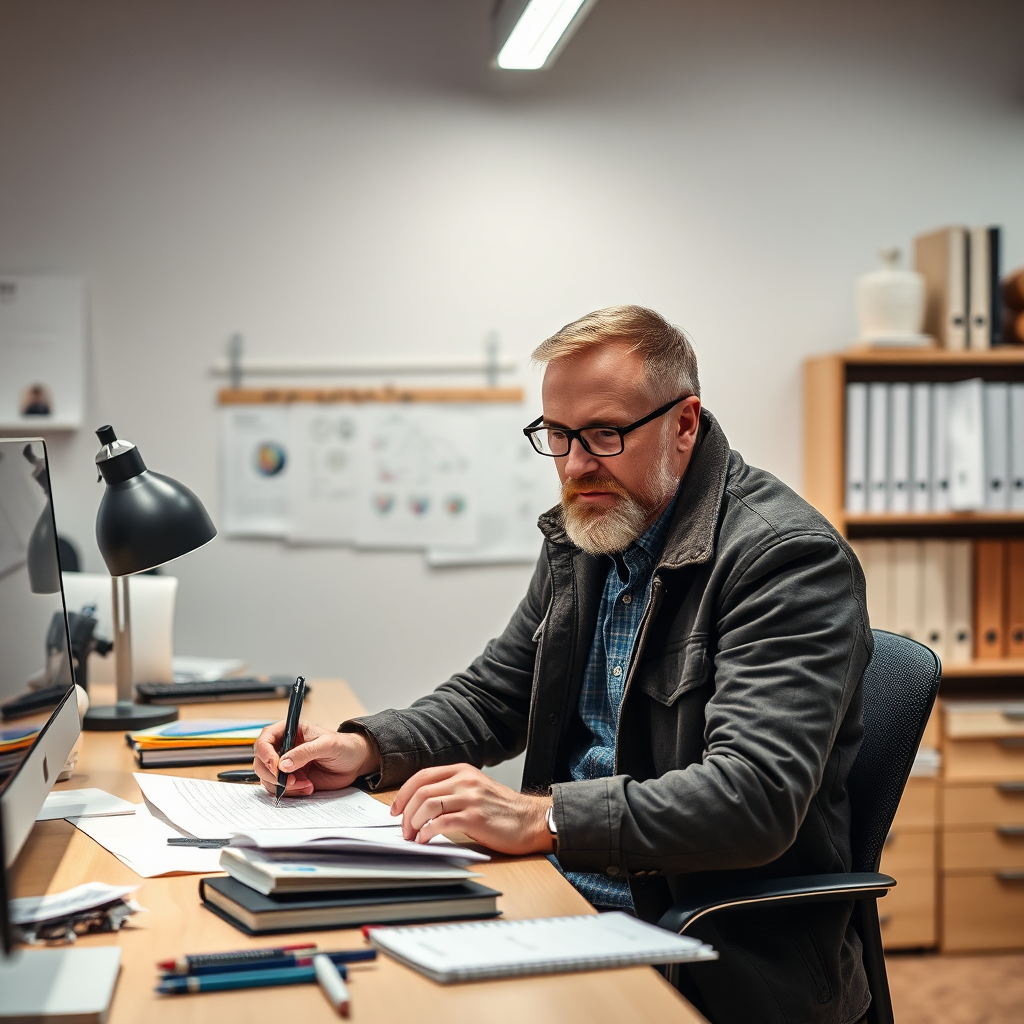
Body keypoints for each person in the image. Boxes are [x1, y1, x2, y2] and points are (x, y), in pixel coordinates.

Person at [254, 306, 872, 1024]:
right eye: (557, 435)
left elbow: (753, 797)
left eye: (605, 433)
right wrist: (364, 746)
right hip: (562, 896)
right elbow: (496, 694)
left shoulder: (783, 559)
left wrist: (545, 819)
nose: (576, 464)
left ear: (684, 422)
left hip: (702, 946)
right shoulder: (593, 534)